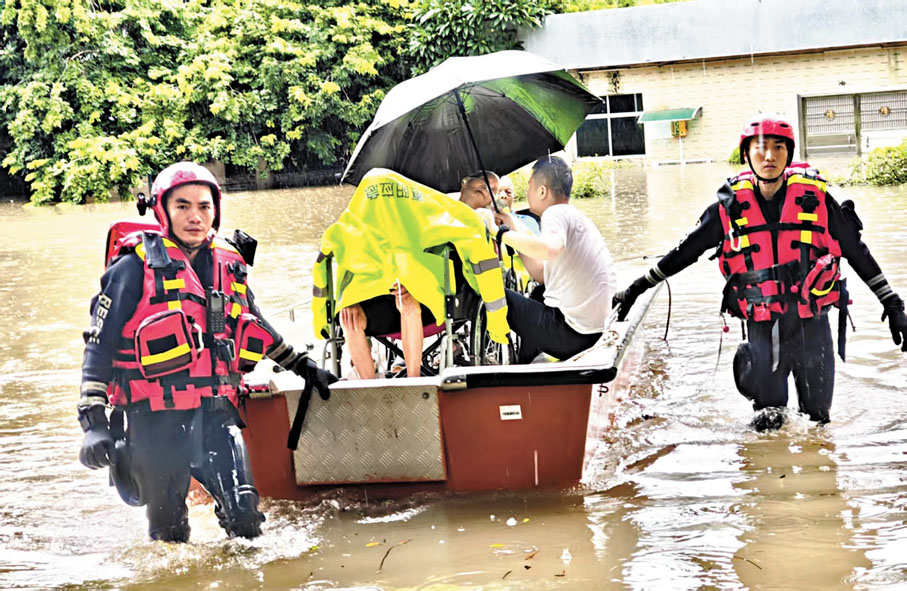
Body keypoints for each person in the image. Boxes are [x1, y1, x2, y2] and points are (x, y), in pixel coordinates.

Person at [77, 162, 336, 542]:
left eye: (204, 206)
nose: (195, 217)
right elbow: (98, 347)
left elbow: (254, 323)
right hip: (154, 422)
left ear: (216, 210)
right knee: (169, 538)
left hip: (216, 414)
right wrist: (93, 425)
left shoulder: (229, 264)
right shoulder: (132, 268)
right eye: (182, 206)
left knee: (247, 523)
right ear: (161, 210)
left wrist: (303, 366)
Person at [613, 114, 907, 430]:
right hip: (763, 327)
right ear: (746, 154)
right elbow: (683, 253)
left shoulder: (816, 199)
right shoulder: (728, 207)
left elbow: (856, 251)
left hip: (812, 327)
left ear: (789, 154)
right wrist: (636, 287)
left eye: (779, 148)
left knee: (818, 424)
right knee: (767, 424)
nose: (769, 157)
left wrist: (892, 304)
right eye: (760, 148)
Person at [312, 168, 511, 378]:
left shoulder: (445, 212)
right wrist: (344, 303)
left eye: (493, 190)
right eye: (482, 186)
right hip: (373, 293)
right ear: (465, 184)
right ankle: (369, 386)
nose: (488, 193)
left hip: (424, 297)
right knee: (349, 316)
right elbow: (335, 267)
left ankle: (413, 381)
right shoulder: (356, 227)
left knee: (408, 303)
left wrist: (497, 324)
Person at [483, 156, 616, 363]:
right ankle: (524, 362)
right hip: (591, 334)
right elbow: (542, 274)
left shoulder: (554, 213)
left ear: (542, 191)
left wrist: (499, 234)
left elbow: (549, 249)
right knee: (538, 292)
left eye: (529, 187)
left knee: (491, 291)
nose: (527, 193)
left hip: (570, 335)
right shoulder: (575, 216)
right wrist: (509, 224)